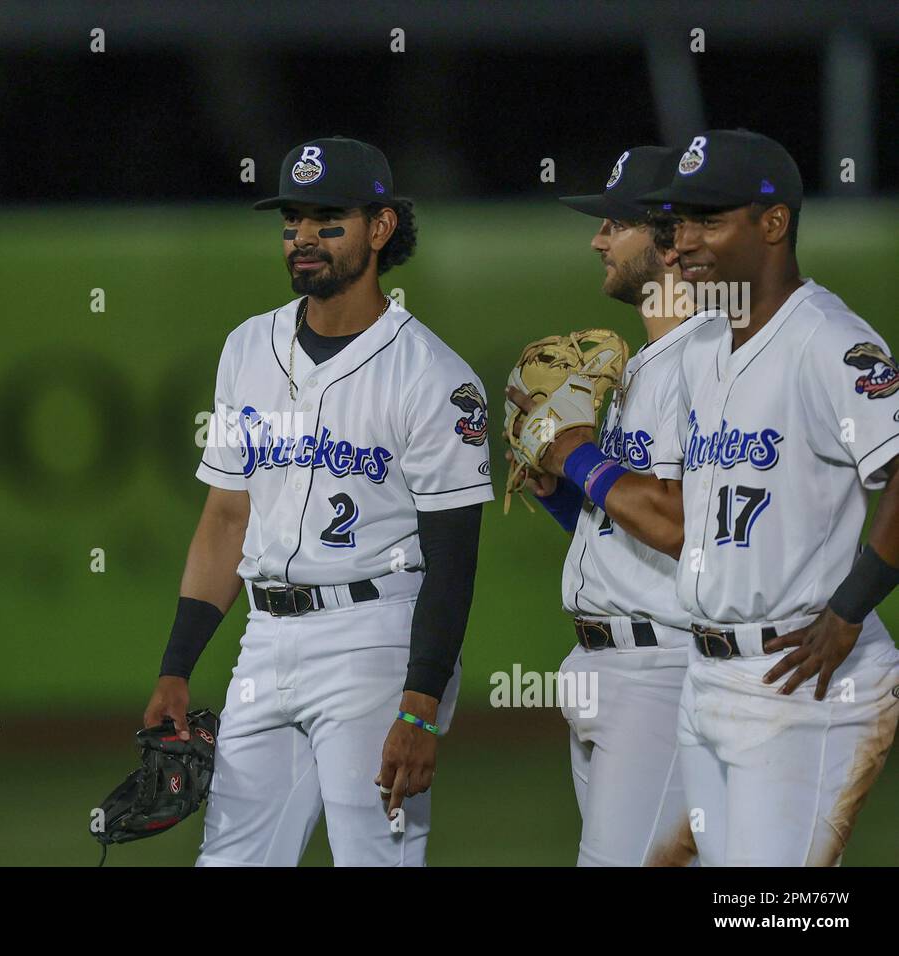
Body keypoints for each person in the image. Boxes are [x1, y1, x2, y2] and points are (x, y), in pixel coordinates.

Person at [529, 129, 899, 865]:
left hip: (799, 673)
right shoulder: (707, 352)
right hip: (708, 674)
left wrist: (851, 609)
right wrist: (564, 487)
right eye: (679, 221)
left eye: (708, 220)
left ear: (772, 223)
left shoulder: (826, 340)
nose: (683, 241)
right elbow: (695, 522)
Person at [143, 137, 493, 866]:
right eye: (291, 218)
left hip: (376, 635)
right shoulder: (247, 347)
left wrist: (420, 708)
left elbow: (454, 562)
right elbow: (225, 518)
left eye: (327, 217)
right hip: (264, 640)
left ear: (382, 227)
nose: (302, 236)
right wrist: (176, 667)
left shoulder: (432, 376)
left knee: (377, 856)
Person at [509, 145, 703, 865]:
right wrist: (563, 491)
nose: (597, 240)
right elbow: (633, 526)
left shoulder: (708, 360)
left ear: (673, 238)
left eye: (615, 224)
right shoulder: (640, 365)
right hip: (611, 666)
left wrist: (576, 455)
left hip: (666, 672)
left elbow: (687, 526)